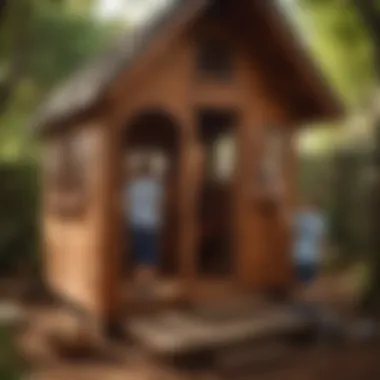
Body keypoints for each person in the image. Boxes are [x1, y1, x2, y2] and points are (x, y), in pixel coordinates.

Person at [125, 157, 164, 296]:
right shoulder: (155, 186)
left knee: (139, 254)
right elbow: (158, 206)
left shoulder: (131, 186)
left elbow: (127, 206)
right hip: (151, 224)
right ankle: (150, 285)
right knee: (150, 255)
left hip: (136, 224)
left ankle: (138, 285)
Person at [292, 198, 326, 297]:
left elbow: (321, 238)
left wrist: (321, 253)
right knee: (301, 278)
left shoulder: (318, 221)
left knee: (309, 279)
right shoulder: (301, 218)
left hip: (311, 254)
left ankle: (306, 298)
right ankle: (303, 298)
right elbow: (294, 232)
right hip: (300, 253)